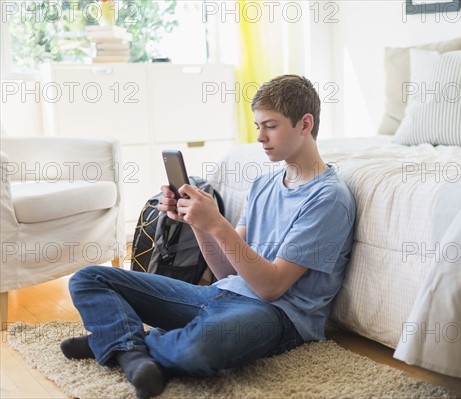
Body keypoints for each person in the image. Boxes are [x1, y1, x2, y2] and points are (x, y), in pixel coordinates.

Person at [60, 75, 356, 399]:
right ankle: (129, 350)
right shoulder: (264, 185)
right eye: (258, 125)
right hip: (219, 295)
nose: (260, 137)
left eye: (270, 126)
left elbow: (271, 287)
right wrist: (198, 223)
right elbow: (226, 273)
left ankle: (117, 341)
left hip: (276, 314)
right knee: (89, 278)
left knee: (198, 351)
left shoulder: (328, 199)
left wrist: (217, 224)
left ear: (305, 123)